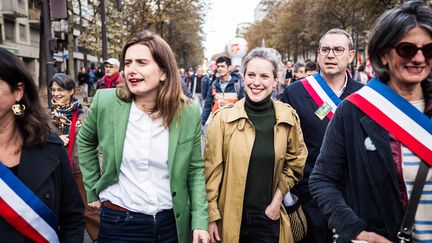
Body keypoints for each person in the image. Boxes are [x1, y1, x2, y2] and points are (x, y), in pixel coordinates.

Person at [310, 1, 432, 242]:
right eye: (406, 49)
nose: (419, 58)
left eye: (428, 50)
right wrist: (353, 228)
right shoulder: (355, 110)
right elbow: (322, 179)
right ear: (383, 55)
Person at [77, 30, 210, 243]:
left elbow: (194, 169)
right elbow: (84, 141)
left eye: (141, 62)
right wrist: (92, 187)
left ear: (164, 72)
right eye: (128, 63)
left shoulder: (188, 112)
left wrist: (200, 221)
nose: (131, 70)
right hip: (120, 221)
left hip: (171, 224)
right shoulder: (105, 101)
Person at [205, 47, 307, 243]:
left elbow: (296, 164)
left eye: (264, 76)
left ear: (275, 80)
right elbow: (211, 173)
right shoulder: (223, 119)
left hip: (269, 219)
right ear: (243, 77)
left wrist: (276, 202)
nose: (256, 82)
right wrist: (212, 216)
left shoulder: (288, 117)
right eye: (251, 75)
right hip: (230, 219)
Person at [279, 28, 363, 243]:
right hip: (310, 195)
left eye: (338, 49)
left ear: (351, 56)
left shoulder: (366, 95)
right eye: (325, 49)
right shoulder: (294, 93)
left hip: (354, 196)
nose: (330, 55)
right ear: (318, 55)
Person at [0, 47, 84, 242]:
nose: (56, 94)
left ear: (18, 91)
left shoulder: (51, 148)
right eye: (53, 90)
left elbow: (72, 217)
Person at [48, 73, 99, 241]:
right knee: (57, 213)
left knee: (91, 212)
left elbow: (97, 140)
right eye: (53, 90)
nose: (55, 94)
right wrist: (54, 139)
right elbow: (34, 137)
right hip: (54, 171)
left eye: (60, 90)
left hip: (80, 170)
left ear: (71, 91)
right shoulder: (45, 115)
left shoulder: (86, 113)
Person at [201, 56, 244, 126]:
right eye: (218, 66)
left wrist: (232, 106)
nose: (220, 69)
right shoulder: (214, 84)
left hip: (233, 124)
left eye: (222, 66)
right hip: (217, 124)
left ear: (229, 67)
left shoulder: (238, 84)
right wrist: (201, 124)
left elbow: (245, 104)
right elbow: (207, 106)